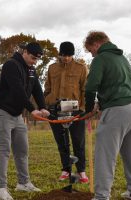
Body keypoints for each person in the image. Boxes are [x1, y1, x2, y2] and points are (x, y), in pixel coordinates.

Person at [83, 31, 131, 200]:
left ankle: (101, 196)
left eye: (90, 51)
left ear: (96, 44)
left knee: (105, 154)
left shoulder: (101, 58)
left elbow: (91, 87)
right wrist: (101, 104)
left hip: (119, 110)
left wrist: (89, 108)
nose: (92, 54)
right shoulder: (121, 58)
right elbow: (119, 85)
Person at [0, 42, 50, 200]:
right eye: (32, 57)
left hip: (16, 114)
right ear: (25, 52)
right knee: (3, 150)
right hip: (0, 111)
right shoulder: (11, 65)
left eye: (37, 59)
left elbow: (37, 89)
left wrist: (43, 107)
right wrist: (32, 109)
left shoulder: (31, 69)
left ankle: (23, 183)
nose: (34, 61)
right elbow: (17, 90)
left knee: (22, 150)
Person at [44, 41, 89, 183]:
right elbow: (47, 88)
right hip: (56, 110)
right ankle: (66, 169)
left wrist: (83, 109)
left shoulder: (81, 68)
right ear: (60, 54)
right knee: (61, 142)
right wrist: (49, 101)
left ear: (72, 55)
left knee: (78, 141)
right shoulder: (52, 68)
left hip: (76, 110)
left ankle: (81, 171)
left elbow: (84, 89)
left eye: (69, 55)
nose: (66, 58)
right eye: (64, 55)